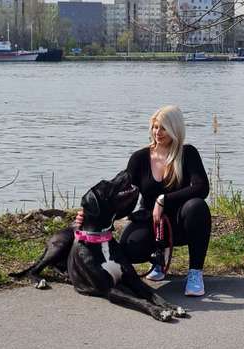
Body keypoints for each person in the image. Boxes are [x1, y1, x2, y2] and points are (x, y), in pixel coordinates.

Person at [76, 105, 211, 296]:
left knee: (198, 207)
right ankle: (158, 259)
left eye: (163, 128)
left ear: (175, 128)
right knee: (129, 249)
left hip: (182, 222)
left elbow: (201, 187)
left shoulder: (187, 153)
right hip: (151, 222)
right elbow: (119, 193)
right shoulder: (139, 158)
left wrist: (163, 199)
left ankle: (195, 272)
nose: (158, 132)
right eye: (155, 127)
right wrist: (91, 215)